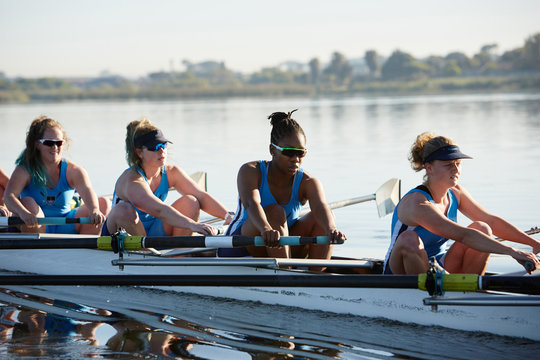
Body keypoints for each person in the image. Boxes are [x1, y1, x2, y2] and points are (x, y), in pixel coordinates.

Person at [383, 132, 539, 275]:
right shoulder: (416, 203)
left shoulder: (456, 192)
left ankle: (469, 292)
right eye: (448, 165)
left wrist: (533, 243)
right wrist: (512, 251)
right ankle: (422, 298)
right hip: (400, 272)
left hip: (439, 265)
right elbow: (463, 235)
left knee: (483, 227)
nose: (456, 169)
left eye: (458, 163)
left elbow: (491, 221)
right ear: (429, 168)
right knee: (409, 238)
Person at [222, 109, 346, 267]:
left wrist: (332, 229)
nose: (295, 159)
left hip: (281, 247)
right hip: (242, 248)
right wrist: (266, 229)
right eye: (289, 152)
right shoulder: (250, 171)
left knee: (324, 218)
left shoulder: (308, 182)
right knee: (275, 212)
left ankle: (316, 277)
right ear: (272, 150)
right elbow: (252, 204)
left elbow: (320, 206)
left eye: (301, 153)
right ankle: (287, 274)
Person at [102, 117, 231, 237]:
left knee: (191, 201)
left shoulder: (171, 172)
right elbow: (159, 210)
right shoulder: (131, 179)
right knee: (123, 210)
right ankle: (147, 256)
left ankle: (178, 258)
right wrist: (192, 225)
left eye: (164, 145)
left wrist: (229, 216)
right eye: (155, 147)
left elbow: (201, 196)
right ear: (139, 152)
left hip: (154, 231)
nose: (162, 151)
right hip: (123, 234)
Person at [4, 116, 109, 234]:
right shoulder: (24, 170)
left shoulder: (74, 171)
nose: (55, 147)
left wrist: (95, 210)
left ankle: (85, 248)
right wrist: (23, 213)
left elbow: (87, 190)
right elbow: (9, 197)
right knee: (27, 202)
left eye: (59, 143)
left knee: (104, 203)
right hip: (36, 225)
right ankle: (37, 247)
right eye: (49, 143)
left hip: (65, 225)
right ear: (37, 144)